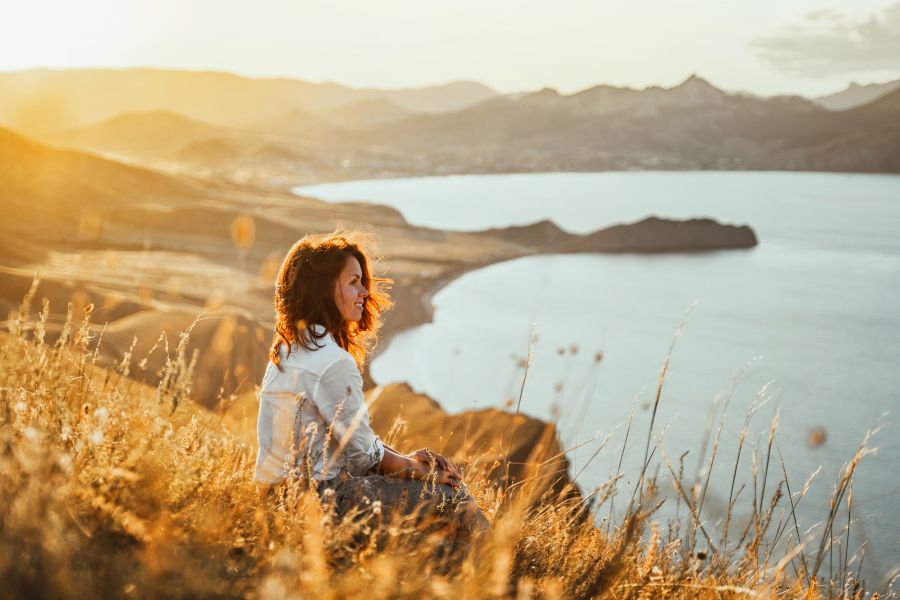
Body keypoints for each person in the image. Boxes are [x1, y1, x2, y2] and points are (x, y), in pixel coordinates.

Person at [255, 230, 488, 540]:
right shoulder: (332, 361)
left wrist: (407, 460)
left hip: (274, 504)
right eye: (353, 282)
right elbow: (365, 458)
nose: (365, 291)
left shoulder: (287, 351)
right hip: (316, 503)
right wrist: (420, 470)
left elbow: (353, 442)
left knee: (432, 516)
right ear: (323, 289)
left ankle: (441, 561)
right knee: (455, 498)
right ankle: (495, 563)